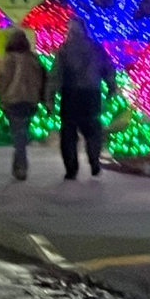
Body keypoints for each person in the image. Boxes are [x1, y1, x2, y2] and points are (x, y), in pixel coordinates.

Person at [46, 18, 116, 180]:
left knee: (69, 133)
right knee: (92, 131)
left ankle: (71, 169)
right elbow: (108, 69)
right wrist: (111, 86)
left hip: (70, 95)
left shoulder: (64, 50)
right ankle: (94, 161)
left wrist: (50, 97)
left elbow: (56, 76)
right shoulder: (96, 48)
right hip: (91, 94)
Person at [0, 29, 46, 182]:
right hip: (30, 101)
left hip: (12, 100)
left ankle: (21, 166)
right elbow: (41, 79)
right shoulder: (33, 59)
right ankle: (18, 166)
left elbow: (1, 80)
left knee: (18, 134)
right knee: (21, 133)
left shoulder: (8, 60)